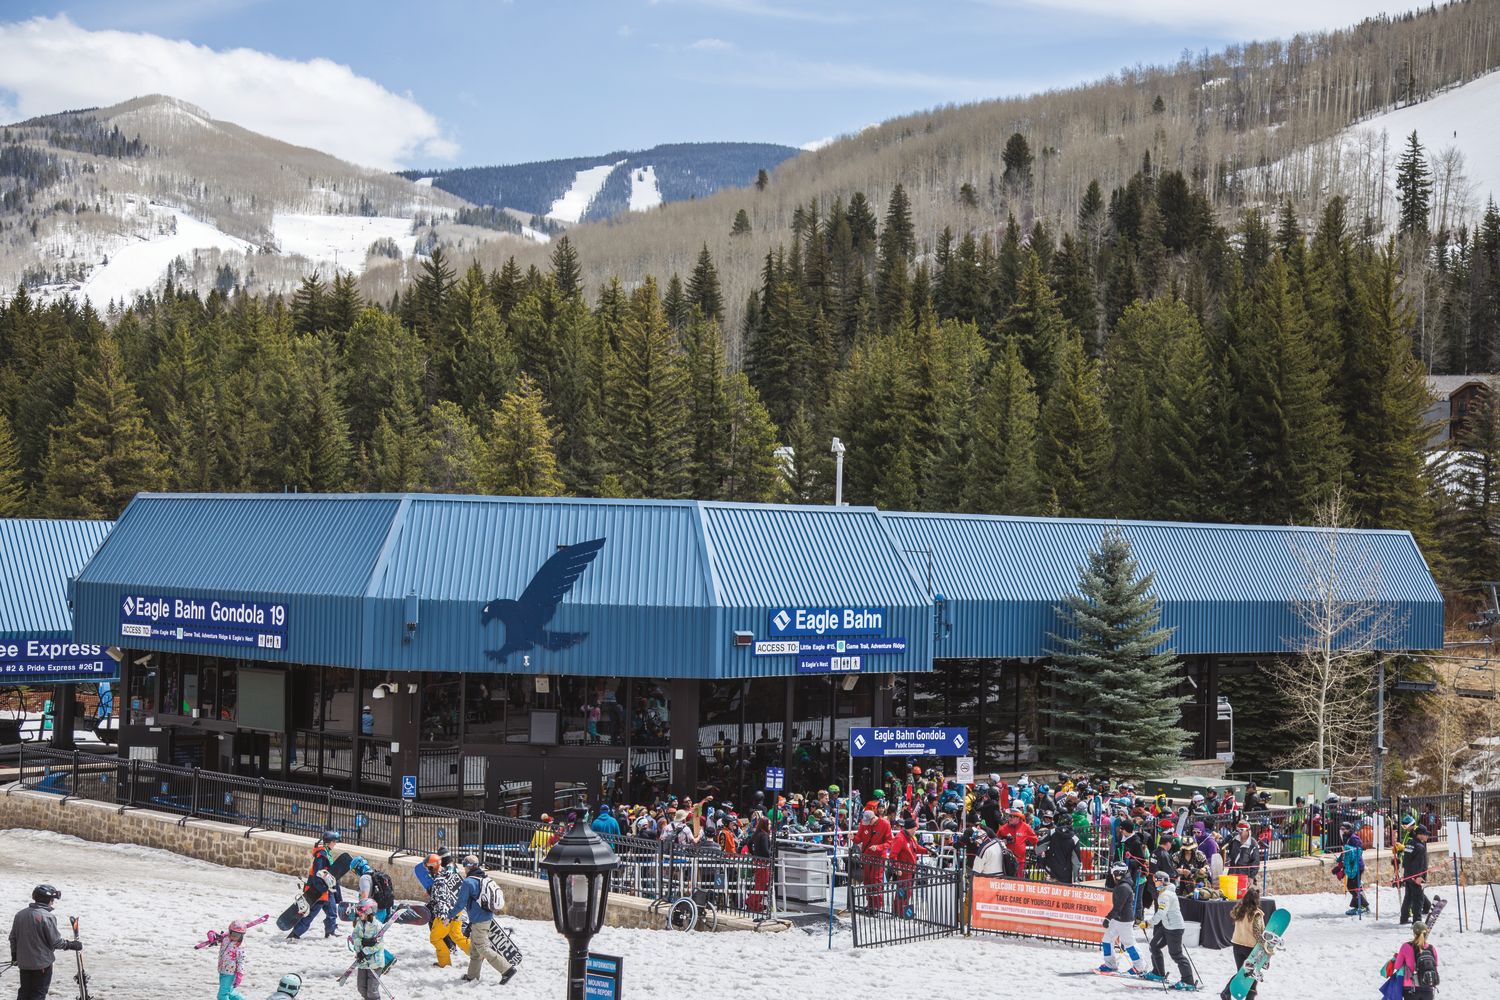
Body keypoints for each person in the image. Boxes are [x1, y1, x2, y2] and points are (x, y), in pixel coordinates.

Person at [449, 855, 516, 984]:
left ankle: (507, 969)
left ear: (468, 866)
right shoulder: (483, 878)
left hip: (480, 921)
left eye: (464, 865)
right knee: (475, 950)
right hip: (484, 918)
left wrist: (449, 916)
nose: (464, 868)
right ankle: (472, 976)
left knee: (482, 948)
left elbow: (460, 904)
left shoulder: (468, 882)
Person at [8, 885, 82, 1000]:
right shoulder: (47, 916)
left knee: (24, 993)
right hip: (41, 965)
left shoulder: (20, 914)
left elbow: (13, 938)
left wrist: (14, 955)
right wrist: (71, 945)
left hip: (24, 964)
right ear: (49, 900)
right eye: (52, 900)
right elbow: (56, 942)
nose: (52, 903)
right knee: (38, 995)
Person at [1144, 870, 1198, 991]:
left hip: (1175, 928)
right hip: (1167, 926)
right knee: (1154, 946)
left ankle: (1188, 980)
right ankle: (1158, 973)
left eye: (1156, 880)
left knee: (1176, 955)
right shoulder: (1164, 892)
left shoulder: (1165, 895)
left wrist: (1148, 923)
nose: (1154, 883)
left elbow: (1161, 913)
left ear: (1162, 881)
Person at [419, 849, 470, 969]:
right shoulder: (448, 873)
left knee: (435, 938)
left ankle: (444, 963)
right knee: (457, 936)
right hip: (457, 911)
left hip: (446, 915)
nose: (426, 870)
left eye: (427, 867)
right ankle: (477, 954)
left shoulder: (439, 881)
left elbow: (442, 900)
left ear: (432, 867)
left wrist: (443, 917)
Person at [289, 830, 342, 940]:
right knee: (311, 914)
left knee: (332, 912)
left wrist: (336, 893)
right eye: (334, 841)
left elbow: (331, 874)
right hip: (319, 891)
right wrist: (321, 888)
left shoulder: (327, 854)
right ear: (329, 842)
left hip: (328, 890)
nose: (335, 844)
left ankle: (330, 932)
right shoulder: (321, 856)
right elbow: (318, 874)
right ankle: (295, 934)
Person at [1099, 862, 1146, 976]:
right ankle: (1110, 964)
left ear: (1118, 873)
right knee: (1107, 939)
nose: (1113, 876)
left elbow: (1118, 907)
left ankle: (1139, 967)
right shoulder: (1122, 883)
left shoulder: (1123, 887)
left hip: (1124, 920)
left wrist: (1108, 918)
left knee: (1129, 943)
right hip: (1118, 919)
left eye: (1114, 873)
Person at [1218, 886, 1265, 1000]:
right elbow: (1257, 933)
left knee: (1242, 972)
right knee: (1252, 973)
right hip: (1251, 948)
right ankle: (1250, 997)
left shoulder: (1239, 910)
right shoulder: (1256, 914)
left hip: (1237, 945)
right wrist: (1265, 946)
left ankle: (1226, 992)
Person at [1386, 920, 1439, 1000]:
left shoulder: (1406, 946)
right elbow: (1435, 965)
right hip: (1427, 985)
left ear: (1414, 933)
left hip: (1410, 987)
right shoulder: (1431, 948)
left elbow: (1397, 966)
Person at [350, 900, 390, 1000]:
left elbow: (378, 945)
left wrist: (365, 951)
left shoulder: (377, 926)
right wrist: (359, 948)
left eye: (361, 911)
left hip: (375, 963)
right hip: (363, 962)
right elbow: (355, 937)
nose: (359, 913)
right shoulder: (359, 924)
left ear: (369, 911)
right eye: (358, 911)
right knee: (361, 988)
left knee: (372, 990)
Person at [1399, 826, 1432, 926]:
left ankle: (1404, 918)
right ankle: (1417, 922)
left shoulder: (1409, 844)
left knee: (1408, 898)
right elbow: (1418, 864)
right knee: (1418, 900)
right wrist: (1418, 877)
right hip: (1415, 876)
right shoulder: (1420, 847)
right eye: (1426, 834)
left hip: (1407, 875)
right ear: (1420, 835)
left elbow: (1405, 861)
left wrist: (1409, 875)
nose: (1427, 836)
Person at [1339, 822, 1369, 915]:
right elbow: (1345, 851)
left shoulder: (1354, 838)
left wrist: (1349, 849)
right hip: (1351, 866)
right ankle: (1357, 906)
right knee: (1351, 886)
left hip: (1357, 866)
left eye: (1344, 829)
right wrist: (1341, 858)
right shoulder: (1346, 837)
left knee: (1354, 887)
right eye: (1341, 829)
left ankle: (1364, 906)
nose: (1343, 831)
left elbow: (1358, 850)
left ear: (1349, 829)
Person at [216, 920, 248, 1000]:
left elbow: (241, 962)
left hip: (230, 974)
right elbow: (216, 938)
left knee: (222, 995)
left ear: (242, 935)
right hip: (222, 970)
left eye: (238, 935)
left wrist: (239, 975)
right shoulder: (226, 939)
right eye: (233, 933)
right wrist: (211, 934)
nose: (235, 937)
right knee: (230, 993)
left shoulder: (240, 947)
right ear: (229, 931)